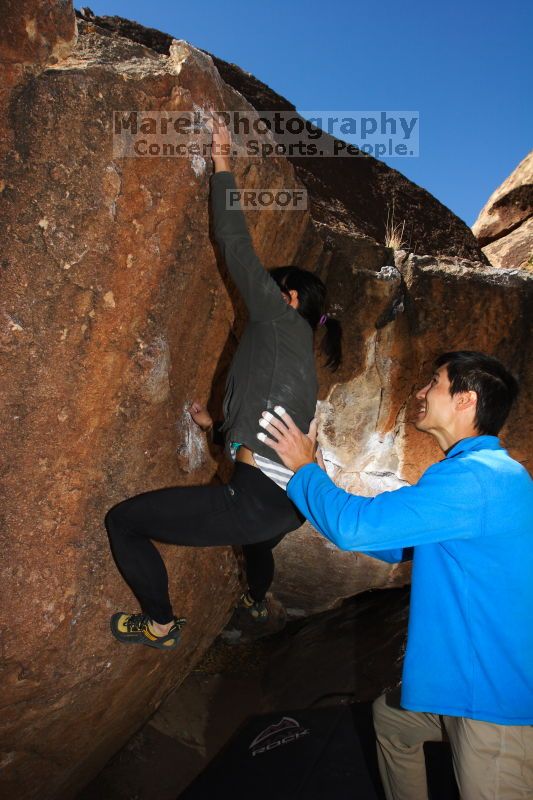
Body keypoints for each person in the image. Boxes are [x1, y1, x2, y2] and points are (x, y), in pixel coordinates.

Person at [104, 119, 342, 650]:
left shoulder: (281, 321)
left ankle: (161, 626)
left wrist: (222, 162)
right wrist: (218, 427)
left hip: (258, 497)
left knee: (124, 522)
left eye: (272, 288)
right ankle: (257, 599)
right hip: (288, 504)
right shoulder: (295, 351)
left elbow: (235, 245)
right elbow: (264, 408)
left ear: (291, 297)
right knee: (258, 545)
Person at [257, 351, 533, 799]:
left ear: (465, 400)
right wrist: (314, 487)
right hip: (466, 678)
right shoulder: (478, 475)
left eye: (434, 383)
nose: (420, 392)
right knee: (392, 721)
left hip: (493, 699)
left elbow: (356, 529)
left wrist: (304, 469)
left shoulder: (480, 479)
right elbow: (396, 543)